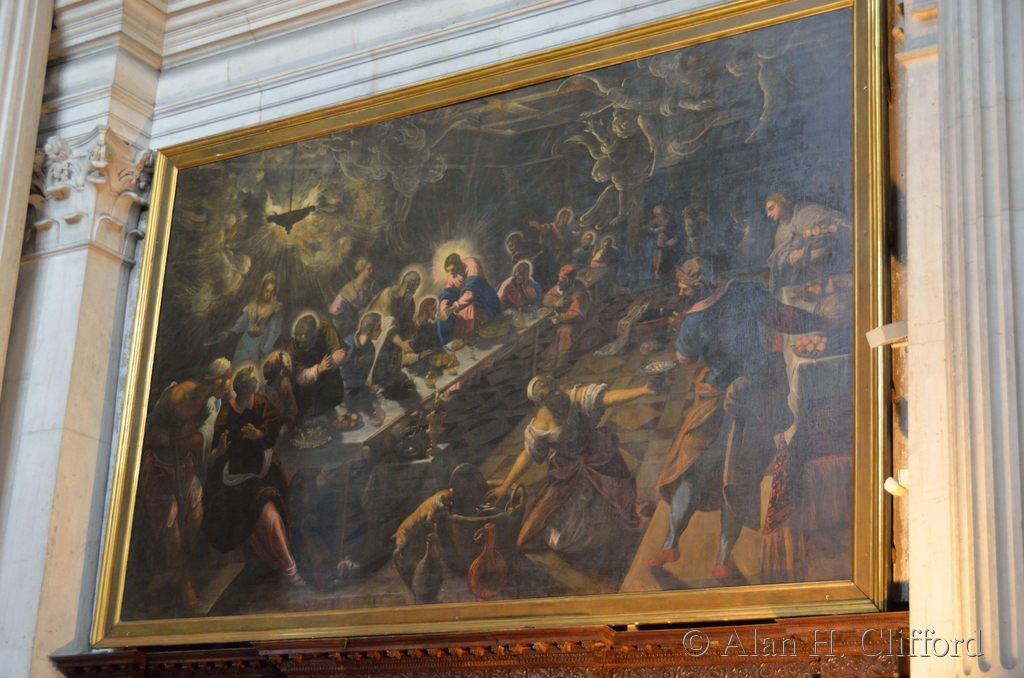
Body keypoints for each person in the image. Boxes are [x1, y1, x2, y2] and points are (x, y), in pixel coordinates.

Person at [648, 258, 824, 578]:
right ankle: (722, 559)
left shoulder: (693, 321)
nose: (680, 292)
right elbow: (785, 318)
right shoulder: (744, 292)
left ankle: (672, 544)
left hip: (719, 401)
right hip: (753, 396)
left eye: (683, 287)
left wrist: (682, 332)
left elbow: (684, 358)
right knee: (738, 480)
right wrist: (823, 321)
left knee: (692, 472)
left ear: (697, 286)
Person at [492, 375, 655, 553]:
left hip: (599, 461)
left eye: (555, 387)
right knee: (541, 526)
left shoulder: (575, 397)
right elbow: (527, 454)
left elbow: (606, 398)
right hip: (568, 471)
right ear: (541, 402)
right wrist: (505, 487)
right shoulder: (542, 422)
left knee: (617, 511)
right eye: (550, 394)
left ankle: (609, 530)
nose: (557, 393)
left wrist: (642, 390)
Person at [138, 358, 233, 608]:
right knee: (172, 530)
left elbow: (200, 442)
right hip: (159, 469)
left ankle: (181, 571)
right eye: (225, 379)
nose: (228, 384)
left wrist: (174, 437)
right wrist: (179, 436)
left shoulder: (212, 404)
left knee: (196, 516)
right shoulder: (178, 394)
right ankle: (184, 585)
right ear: (215, 380)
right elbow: (151, 434)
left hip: (185, 465)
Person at [202, 366, 304, 585]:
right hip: (236, 478)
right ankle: (283, 567)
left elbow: (273, 424)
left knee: (272, 514)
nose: (257, 384)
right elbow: (217, 450)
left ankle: (287, 566)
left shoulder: (261, 403)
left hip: (263, 472)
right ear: (243, 387)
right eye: (253, 381)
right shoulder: (226, 413)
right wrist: (221, 450)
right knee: (255, 515)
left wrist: (258, 434)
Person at [764, 193, 852, 291]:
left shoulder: (807, 211)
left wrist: (807, 251)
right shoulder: (781, 231)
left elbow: (837, 222)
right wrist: (792, 256)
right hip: (805, 279)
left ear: (782, 201)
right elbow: (780, 257)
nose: (769, 214)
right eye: (767, 211)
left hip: (830, 267)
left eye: (771, 208)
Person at [541, 265, 604, 370]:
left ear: (569, 281)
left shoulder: (578, 292)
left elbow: (578, 314)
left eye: (562, 281)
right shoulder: (561, 287)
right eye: (559, 280)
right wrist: (556, 302)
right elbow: (546, 299)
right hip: (568, 319)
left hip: (583, 321)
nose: (558, 283)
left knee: (565, 331)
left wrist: (561, 317)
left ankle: (562, 363)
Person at [287, 314, 347, 423]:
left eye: (305, 342)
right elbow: (300, 377)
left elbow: (341, 353)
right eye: (300, 342)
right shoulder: (293, 347)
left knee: (336, 415)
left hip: (330, 381)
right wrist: (319, 369)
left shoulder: (326, 330)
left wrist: (333, 361)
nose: (301, 346)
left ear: (314, 333)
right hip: (309, 390)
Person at [437, 253, 502, 344]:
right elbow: (447, 293)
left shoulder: (471, 264)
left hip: (483, 299)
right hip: (464, 304)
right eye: (449, 271)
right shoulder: (453, 277)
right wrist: (444, 308)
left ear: (459, 264)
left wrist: (452, 308)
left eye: (453, 269)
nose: (451, 273)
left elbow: (471, 293)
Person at [228, 273, 283, 370]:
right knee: (237, 370)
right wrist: (232, 331)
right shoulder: (253, 305)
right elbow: (243, 322)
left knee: (253, 373)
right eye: (267, 291)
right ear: (262, 289)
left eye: (271, 292)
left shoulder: (275, 310)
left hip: (259, 348)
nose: (268, 294)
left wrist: (265, 348)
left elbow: (274, 332)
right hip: (244, 345)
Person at [329, 257, 379, 338]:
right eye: (369, 269)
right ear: (361, 269)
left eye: (372, 269)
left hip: (366, 323)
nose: (372, 271)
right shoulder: (348, 288)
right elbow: (334, 311)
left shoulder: (372, 286)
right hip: (350, 326)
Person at [340, 311, 383, 392]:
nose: (381, 330)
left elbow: (365, 374)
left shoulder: (371, 348)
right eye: (378, 328)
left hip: (359, 388)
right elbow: (342, 372)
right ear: (368, 333)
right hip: (343, 389)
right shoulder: (347, 344)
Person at [375, 270, 421, 340]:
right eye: (413, 285)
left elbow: (407, 324)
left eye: (416, 286)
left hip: (398, 335)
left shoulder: (411, 303)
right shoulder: (389, 294)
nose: (414, 290)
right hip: (380, 333)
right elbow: (388, 323)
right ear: (407, 284)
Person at [261, 351, 298, 430]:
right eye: (286, 364)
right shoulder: (263, 395)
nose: (289, 366)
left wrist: (288, 423)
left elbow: (292, 407)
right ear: (281, 372)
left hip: (288, 428)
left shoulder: (286, 383)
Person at [645, 206, 683, 283]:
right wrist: (650, 228)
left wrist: (654, 230)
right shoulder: (657, 220)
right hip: (662, 243)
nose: (660, 215)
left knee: (669, 258)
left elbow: (664, 227)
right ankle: (658, 275)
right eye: (658, 214)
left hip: (672, 241)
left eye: (662, 213)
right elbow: (649, 226)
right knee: (659, 257)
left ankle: (670, 277)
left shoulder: (669, 219)